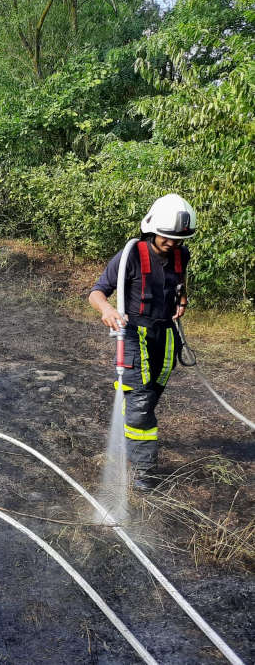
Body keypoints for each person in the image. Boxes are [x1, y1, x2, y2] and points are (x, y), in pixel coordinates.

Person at [88, 194, 196, 490]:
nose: (172, 244)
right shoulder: (130, 256)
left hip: (166, 336)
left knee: (150, 396)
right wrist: (108, 310)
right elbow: (97, 293)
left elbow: (179, 279)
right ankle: (144, 471)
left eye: (178, 239)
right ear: (151, 228)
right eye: (167, 238)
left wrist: (182, 298)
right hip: (135, 336)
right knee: (139, 403)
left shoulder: (180, 254)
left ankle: (132, 439)